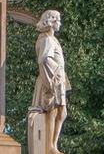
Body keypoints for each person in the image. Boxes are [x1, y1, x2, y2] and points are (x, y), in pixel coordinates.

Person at [30, 10, 70, 154]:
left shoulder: (51, 38)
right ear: (52, 21)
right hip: (52, 79)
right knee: (53, 111)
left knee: (62, 112)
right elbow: (44, 59)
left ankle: (54, 145)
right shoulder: (46, 39)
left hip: (58, 79)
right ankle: (51, 146)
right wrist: (53, 77)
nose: (60, 23)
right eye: (58, 20)